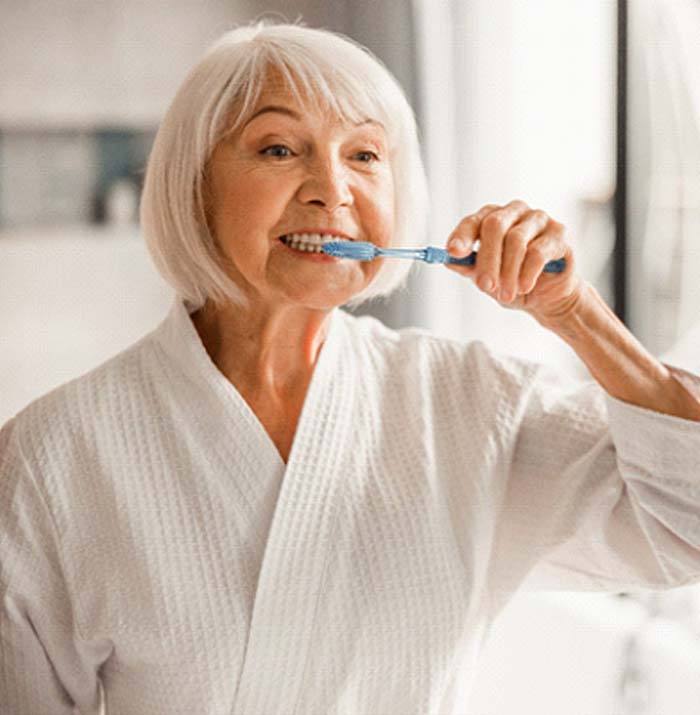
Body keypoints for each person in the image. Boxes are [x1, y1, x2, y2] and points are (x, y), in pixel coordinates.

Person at [2, 20, 700, 715]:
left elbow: (687, 520)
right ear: (193, 186)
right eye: (278, 148)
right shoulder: (49, 456)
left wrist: (575, 312)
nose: (331, 189)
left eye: (365, 155)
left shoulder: (471, 404)